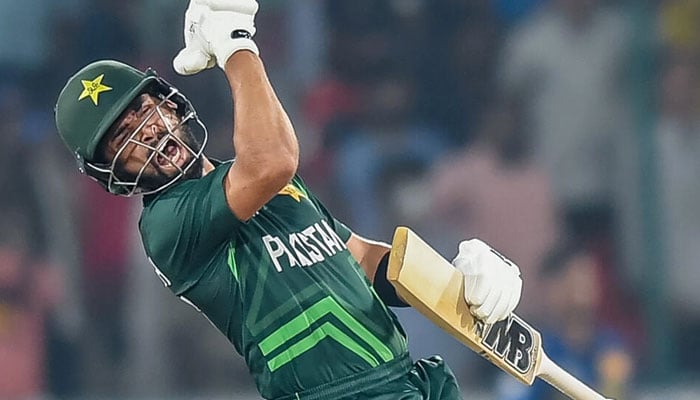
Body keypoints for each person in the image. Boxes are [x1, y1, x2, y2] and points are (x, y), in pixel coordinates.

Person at [54, 1, 523, 399]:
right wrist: (236, 44)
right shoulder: (166, 224)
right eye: (122, 137)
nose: (146, 130)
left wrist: (457, 286)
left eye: (142, 109)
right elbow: (274, 159)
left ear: (172, 104)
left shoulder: (253, 178)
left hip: (405, 378)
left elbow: (357, 258)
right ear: (112, 175)